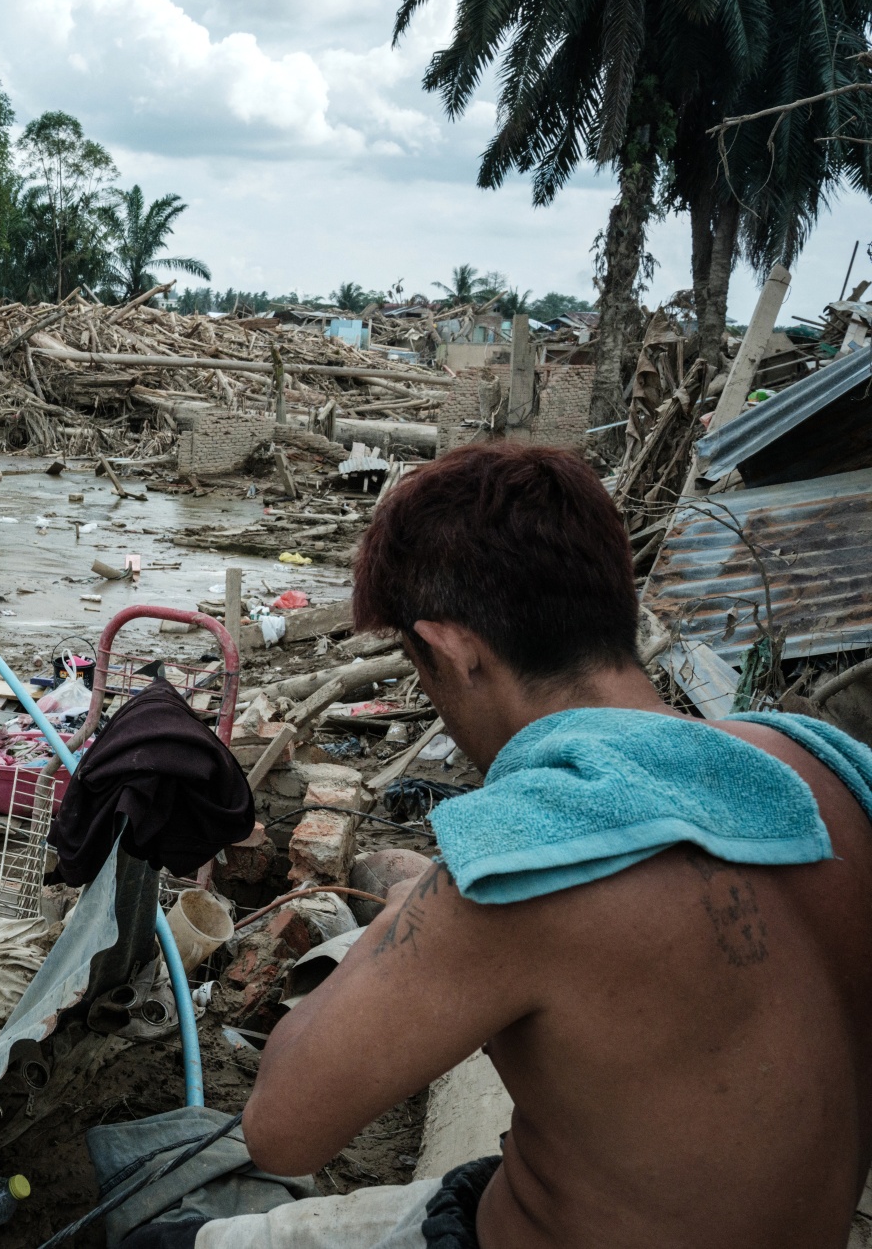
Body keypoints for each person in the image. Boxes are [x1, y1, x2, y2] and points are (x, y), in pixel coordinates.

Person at [141, 443, 872, 1248]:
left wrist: (421, 903)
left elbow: (281, 1124)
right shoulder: (815, 772)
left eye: (426, 677)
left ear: (453, 651)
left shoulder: (529, 860)